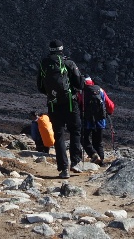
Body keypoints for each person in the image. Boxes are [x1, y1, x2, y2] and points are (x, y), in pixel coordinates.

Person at [36, 39, 84, 178]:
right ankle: (75, 162)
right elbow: (80, 84)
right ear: (62, 48)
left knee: (58, 135)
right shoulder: (69, 63)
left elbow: (40, 86)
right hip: (70, 103)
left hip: (53, 104)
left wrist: (52, 95)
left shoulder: (44, 64)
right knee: (75, 131)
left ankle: (64, 169)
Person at [77, 77, 115, 165]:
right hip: (100, 120)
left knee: (83, 138)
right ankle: (101, 161)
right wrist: (108, 113)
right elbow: (110, 105)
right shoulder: (100, 90)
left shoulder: (81, 92)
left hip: (87, 121)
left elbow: (78, 104)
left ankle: (93, 154)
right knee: (98, 142)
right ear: (92, 82)